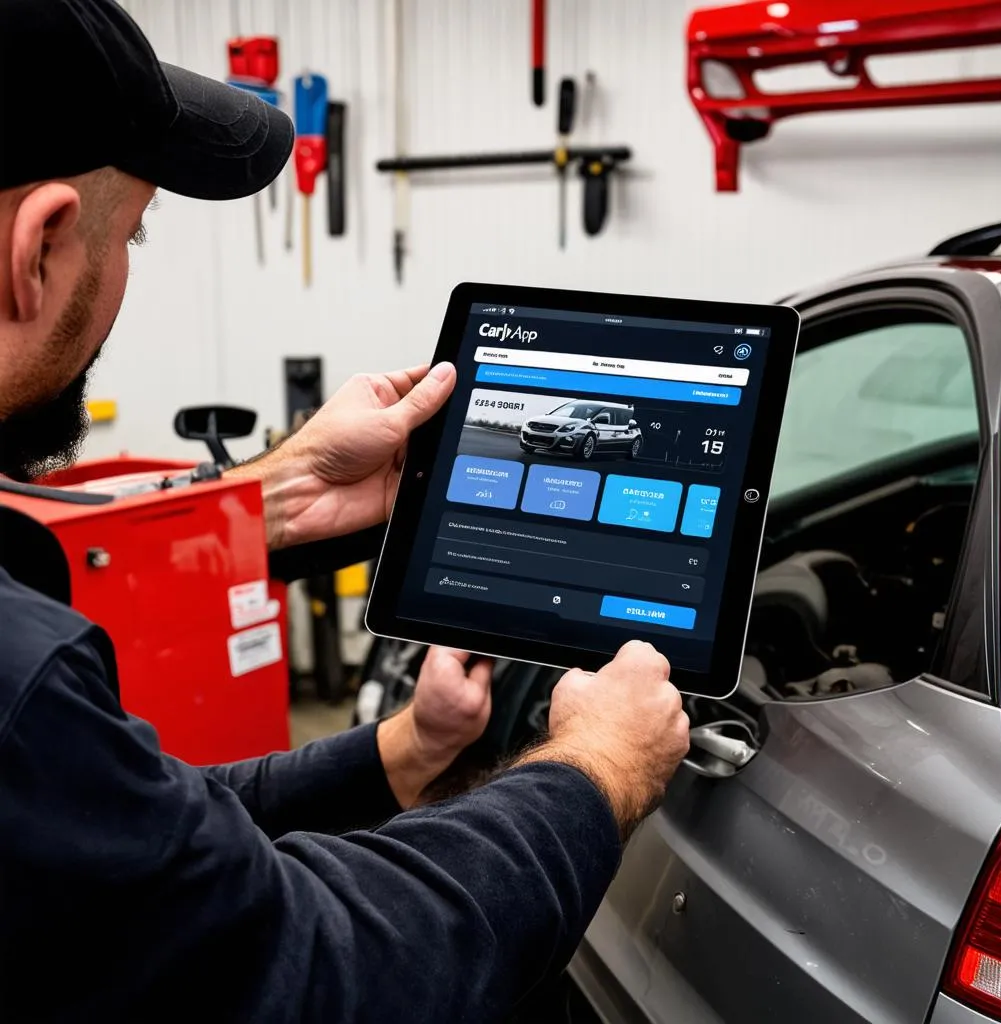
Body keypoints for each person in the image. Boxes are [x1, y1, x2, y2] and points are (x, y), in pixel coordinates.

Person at [0, 2, 691, 1022]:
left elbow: (129, 842)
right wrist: (597, 765)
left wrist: (397, 749)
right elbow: (318, 971)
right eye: (134, 228)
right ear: (41, 243)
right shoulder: (24, 682)